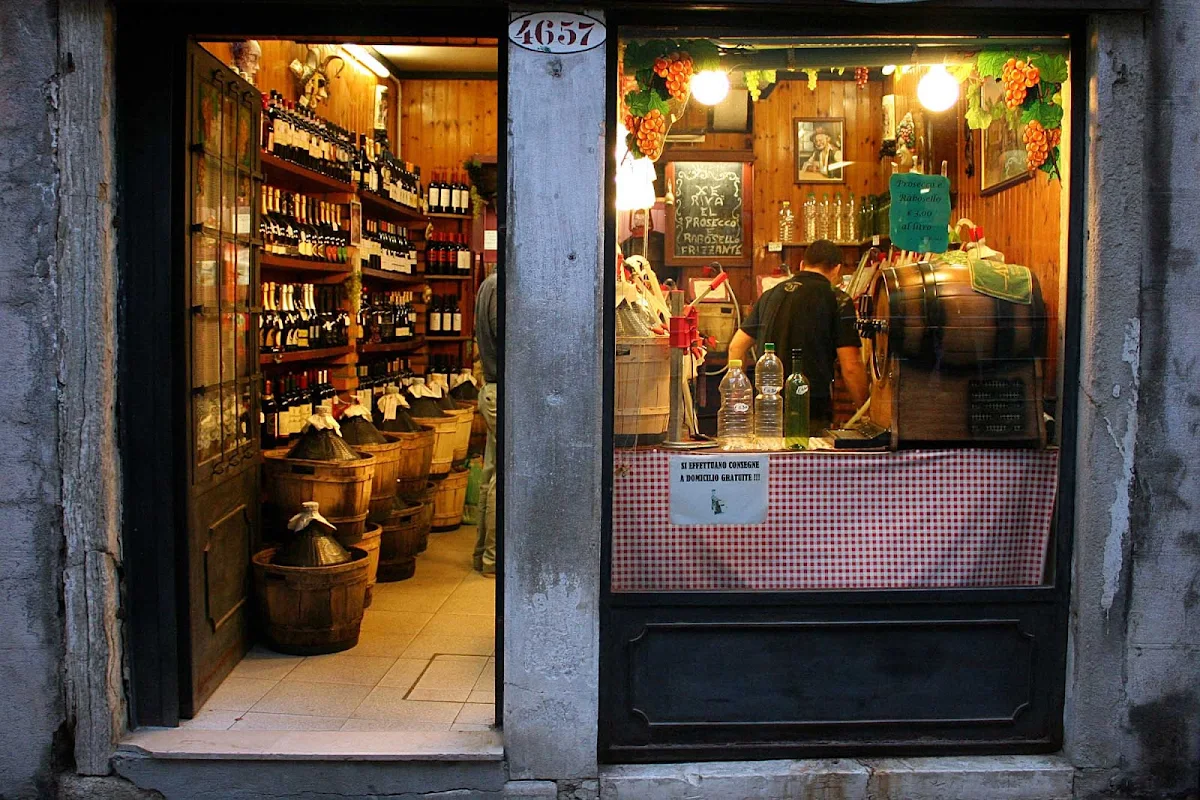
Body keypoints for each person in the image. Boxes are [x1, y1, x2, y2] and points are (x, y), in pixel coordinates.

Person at [727, 239, 868, 432]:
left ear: (802, 265)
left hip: (766, 408)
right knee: (804, 458)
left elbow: (736, 346)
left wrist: (738, 395)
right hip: (810, 409)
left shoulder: (770, 295)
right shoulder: (838, 299)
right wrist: (866, 412)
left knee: (770, 460)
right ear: (836, 269)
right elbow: (851, 366)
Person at [473, 264, 498, 577]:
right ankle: (494, 559)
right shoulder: (500, 288)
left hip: (492, 388)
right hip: (502, 390)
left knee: (491, 473)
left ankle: (482, 555)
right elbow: (508, 340)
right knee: (502, 479)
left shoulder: (487, 285)